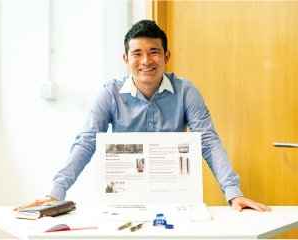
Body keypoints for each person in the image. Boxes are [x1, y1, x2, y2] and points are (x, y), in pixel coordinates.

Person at [15, 20, 270, 212]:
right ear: (126, 58)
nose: (146, 60)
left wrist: (233, 192)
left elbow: (208, 141)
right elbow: (86, 142)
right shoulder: (110, 94)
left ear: (166, 56)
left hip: (175, 200)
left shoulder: (186, 92)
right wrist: (55, 193)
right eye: (137, 53)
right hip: (123, 202)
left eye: (154, 51)